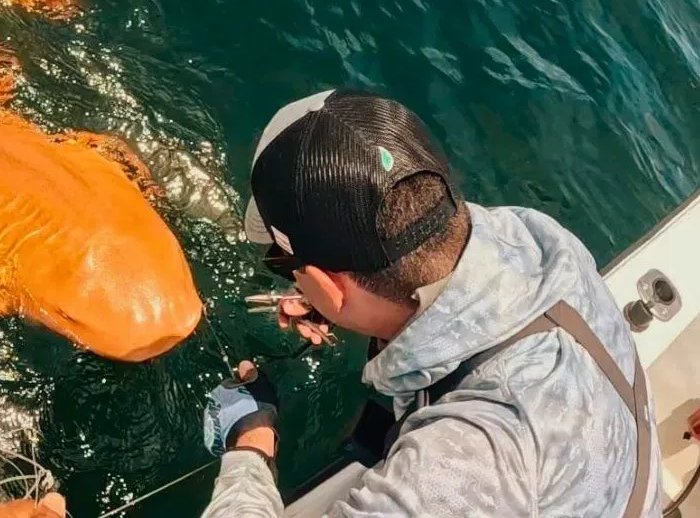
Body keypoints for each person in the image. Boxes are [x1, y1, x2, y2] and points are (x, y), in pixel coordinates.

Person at [201, 87, 662, 517]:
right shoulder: (539, 240)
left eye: (284, 263)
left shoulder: (457, 466)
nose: (289, 277)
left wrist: (250, 441)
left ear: (330, 282)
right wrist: (353, 308)